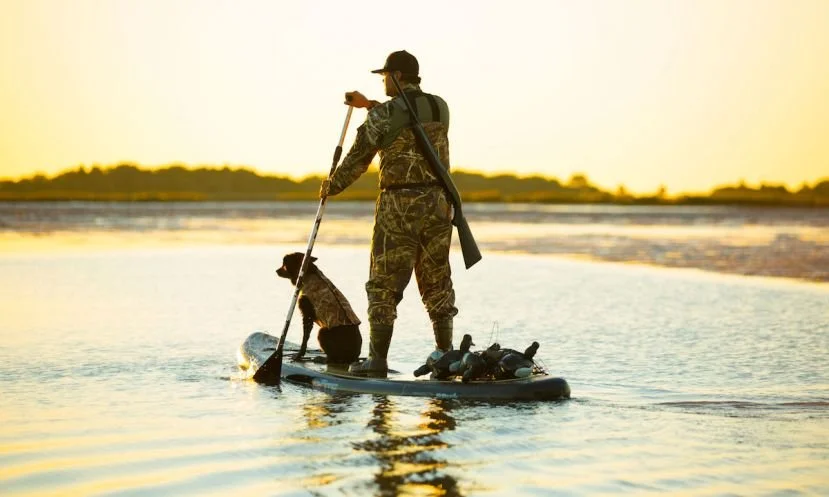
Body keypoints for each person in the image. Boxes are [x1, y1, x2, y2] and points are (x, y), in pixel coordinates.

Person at [319, 50, 458, 376]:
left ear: (396, 75)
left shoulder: (385, 116)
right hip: (439, 204)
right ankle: (445, 354)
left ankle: (377, 360)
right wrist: (368, 106)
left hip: (398, 207)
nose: (382, 80)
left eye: (384, 75)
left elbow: (358, 159)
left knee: (383, 284)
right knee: (437, 281)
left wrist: (331, 186)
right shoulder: (441, 107)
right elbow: (407, 118)